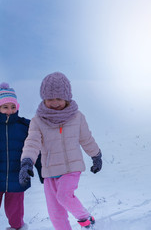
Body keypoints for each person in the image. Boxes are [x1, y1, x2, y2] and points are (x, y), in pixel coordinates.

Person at [19, 72, 103, 230]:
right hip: (50, 172)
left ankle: (85, 217)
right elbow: (32, 143)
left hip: (71, 168)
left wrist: (96, 155)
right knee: (55, 214)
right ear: (44, 99)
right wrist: (27, 161)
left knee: (64, 196)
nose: (55, 103)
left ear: (67, 98)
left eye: (59, 98)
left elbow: (86, 139)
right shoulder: (38, 121)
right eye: (50, 99)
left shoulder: (77, 117)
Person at [0, 82, 42, 230]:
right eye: (5, 107)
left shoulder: (24, 126)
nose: (9, 111)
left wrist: (42, 172)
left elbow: (36, 149)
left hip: (17, 177)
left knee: (15, 213)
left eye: (13, 107)